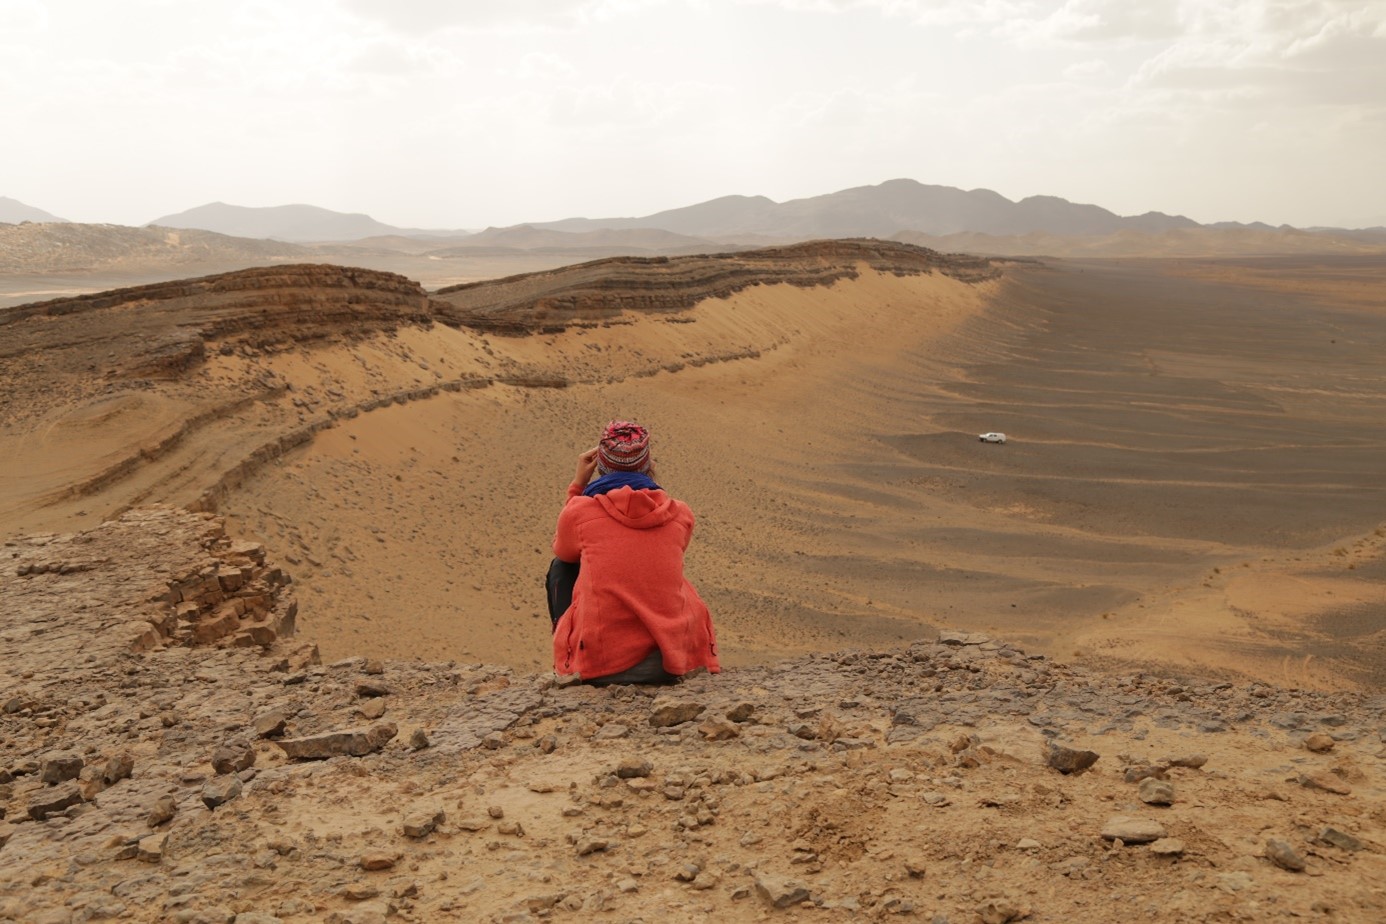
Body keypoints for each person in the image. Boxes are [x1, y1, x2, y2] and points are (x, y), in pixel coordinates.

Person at [546, 420, 720, 685]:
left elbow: (564, 550)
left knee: (561, 567)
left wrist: (577, 486)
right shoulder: (679, 513)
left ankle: (569, 663)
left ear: (600, 466)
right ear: (648, 466)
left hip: (603, 666)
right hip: (672, 662)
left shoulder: (580, 512)